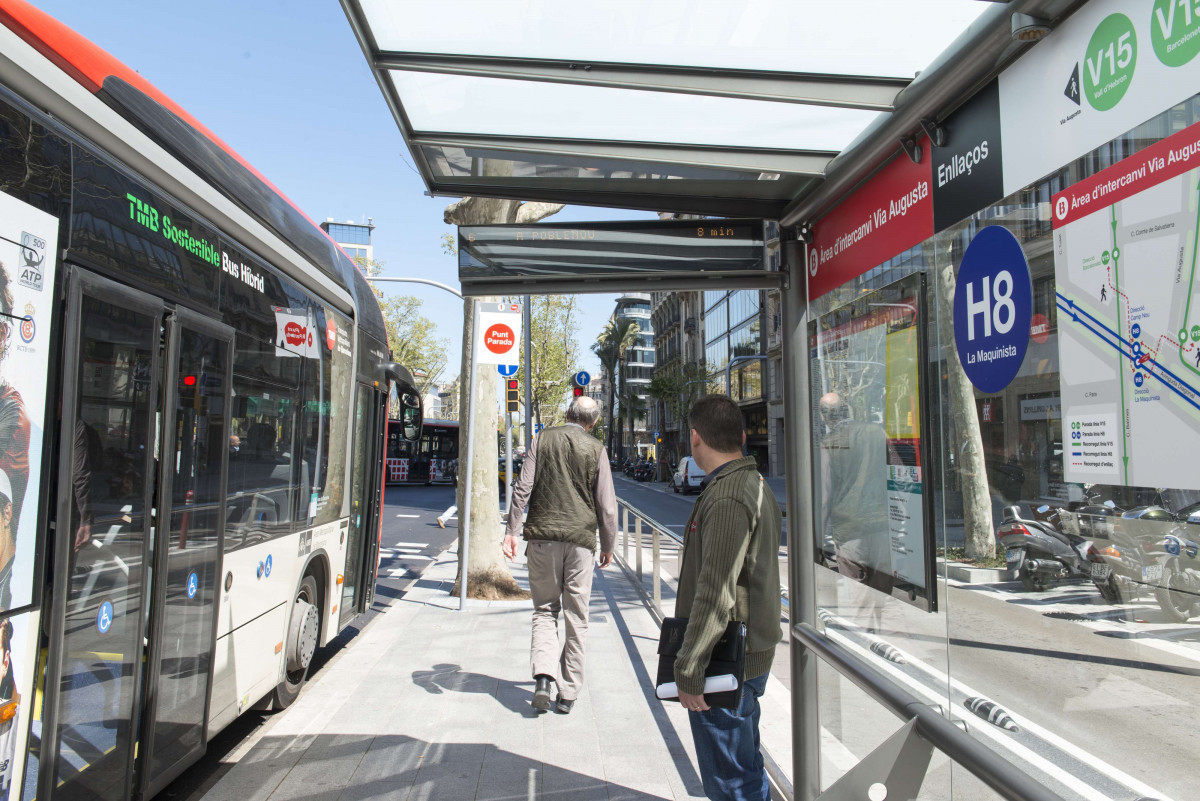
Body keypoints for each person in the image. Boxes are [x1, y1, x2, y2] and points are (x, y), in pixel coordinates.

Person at [674, 394, 781, 801]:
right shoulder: (750, 483)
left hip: (723, 661)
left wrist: (690, 667)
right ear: (740, 435)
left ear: (696, 437)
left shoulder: (728, 496)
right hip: (743, 652)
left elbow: (715, 592)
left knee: (734, 783)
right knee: (744, 767)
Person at [502, 395, 616, 714]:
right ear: (593, 424)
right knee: (576, 616)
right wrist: (608, 545)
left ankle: (542, 678)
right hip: (580, 542)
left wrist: (511, 530)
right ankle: (567, 693)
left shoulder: (542, 438)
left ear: (567, 413)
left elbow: (522, 488)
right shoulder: (597, 449)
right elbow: (607, 506)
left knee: (544, 610)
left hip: (541, 538)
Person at [818, 392, 892, 597]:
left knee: (858, 600)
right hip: (881, 527)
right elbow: (896, 475)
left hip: (849, 532)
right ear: (846, 408)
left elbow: (824, 498)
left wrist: (818, 540)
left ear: (824, 417)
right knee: (882, 598)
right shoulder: (878, 432)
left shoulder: (829, 443)